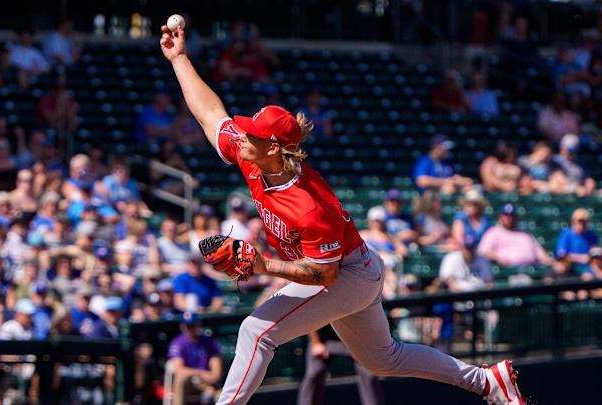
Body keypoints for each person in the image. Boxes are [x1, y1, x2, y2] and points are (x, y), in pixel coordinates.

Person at [160, 24, 524, 404]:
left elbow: (325, 274)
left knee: (255, 331)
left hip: (346, 273)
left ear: (273, 148)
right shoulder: (254, 156)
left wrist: (265, 267)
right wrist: (180, 58)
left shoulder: (310, 205)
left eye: (252, 133)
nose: (242, 135)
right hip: (350, 266)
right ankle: (486, 381)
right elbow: (210, 114)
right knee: (384, 358)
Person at [297, 325, 383, 405]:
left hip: (353, 337)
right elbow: (311, 318)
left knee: (369, 374)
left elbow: (364, 319)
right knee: (313, 373)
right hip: (324, 338)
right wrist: (316, 343)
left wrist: (360, 345)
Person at [477, 204, 564, 272]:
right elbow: (483, 250)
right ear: (500, 217)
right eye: (506, 215)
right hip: (511, 272)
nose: (509, 218)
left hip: (532, 269)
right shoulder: (494, 232)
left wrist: (552, 262)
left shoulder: (525, 233)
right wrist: (499, 257)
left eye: (511, 215)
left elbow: (541, 255)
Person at [168, 312, 222, 405]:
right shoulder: (177, 342)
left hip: (206, 383)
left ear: (199, 324)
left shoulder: (210, 342)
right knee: (181, 379)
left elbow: (215, 374)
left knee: (221, 395)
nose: (190, 329)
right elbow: (179, 370)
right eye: (187, 326)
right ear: (182, 326)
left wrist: (209, 387)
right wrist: (201, 373)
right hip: (189, 382)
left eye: (193, 325)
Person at [555, 208, 598, 276]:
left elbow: (596, 256)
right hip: (570, 268)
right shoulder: (566, 234)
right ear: (573, 222)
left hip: (588, 268)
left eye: (584, 223)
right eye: (579, 222)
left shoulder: (592, 236)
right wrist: (579, 258)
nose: (581, 225)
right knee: (560, 267)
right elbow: (561, 257)